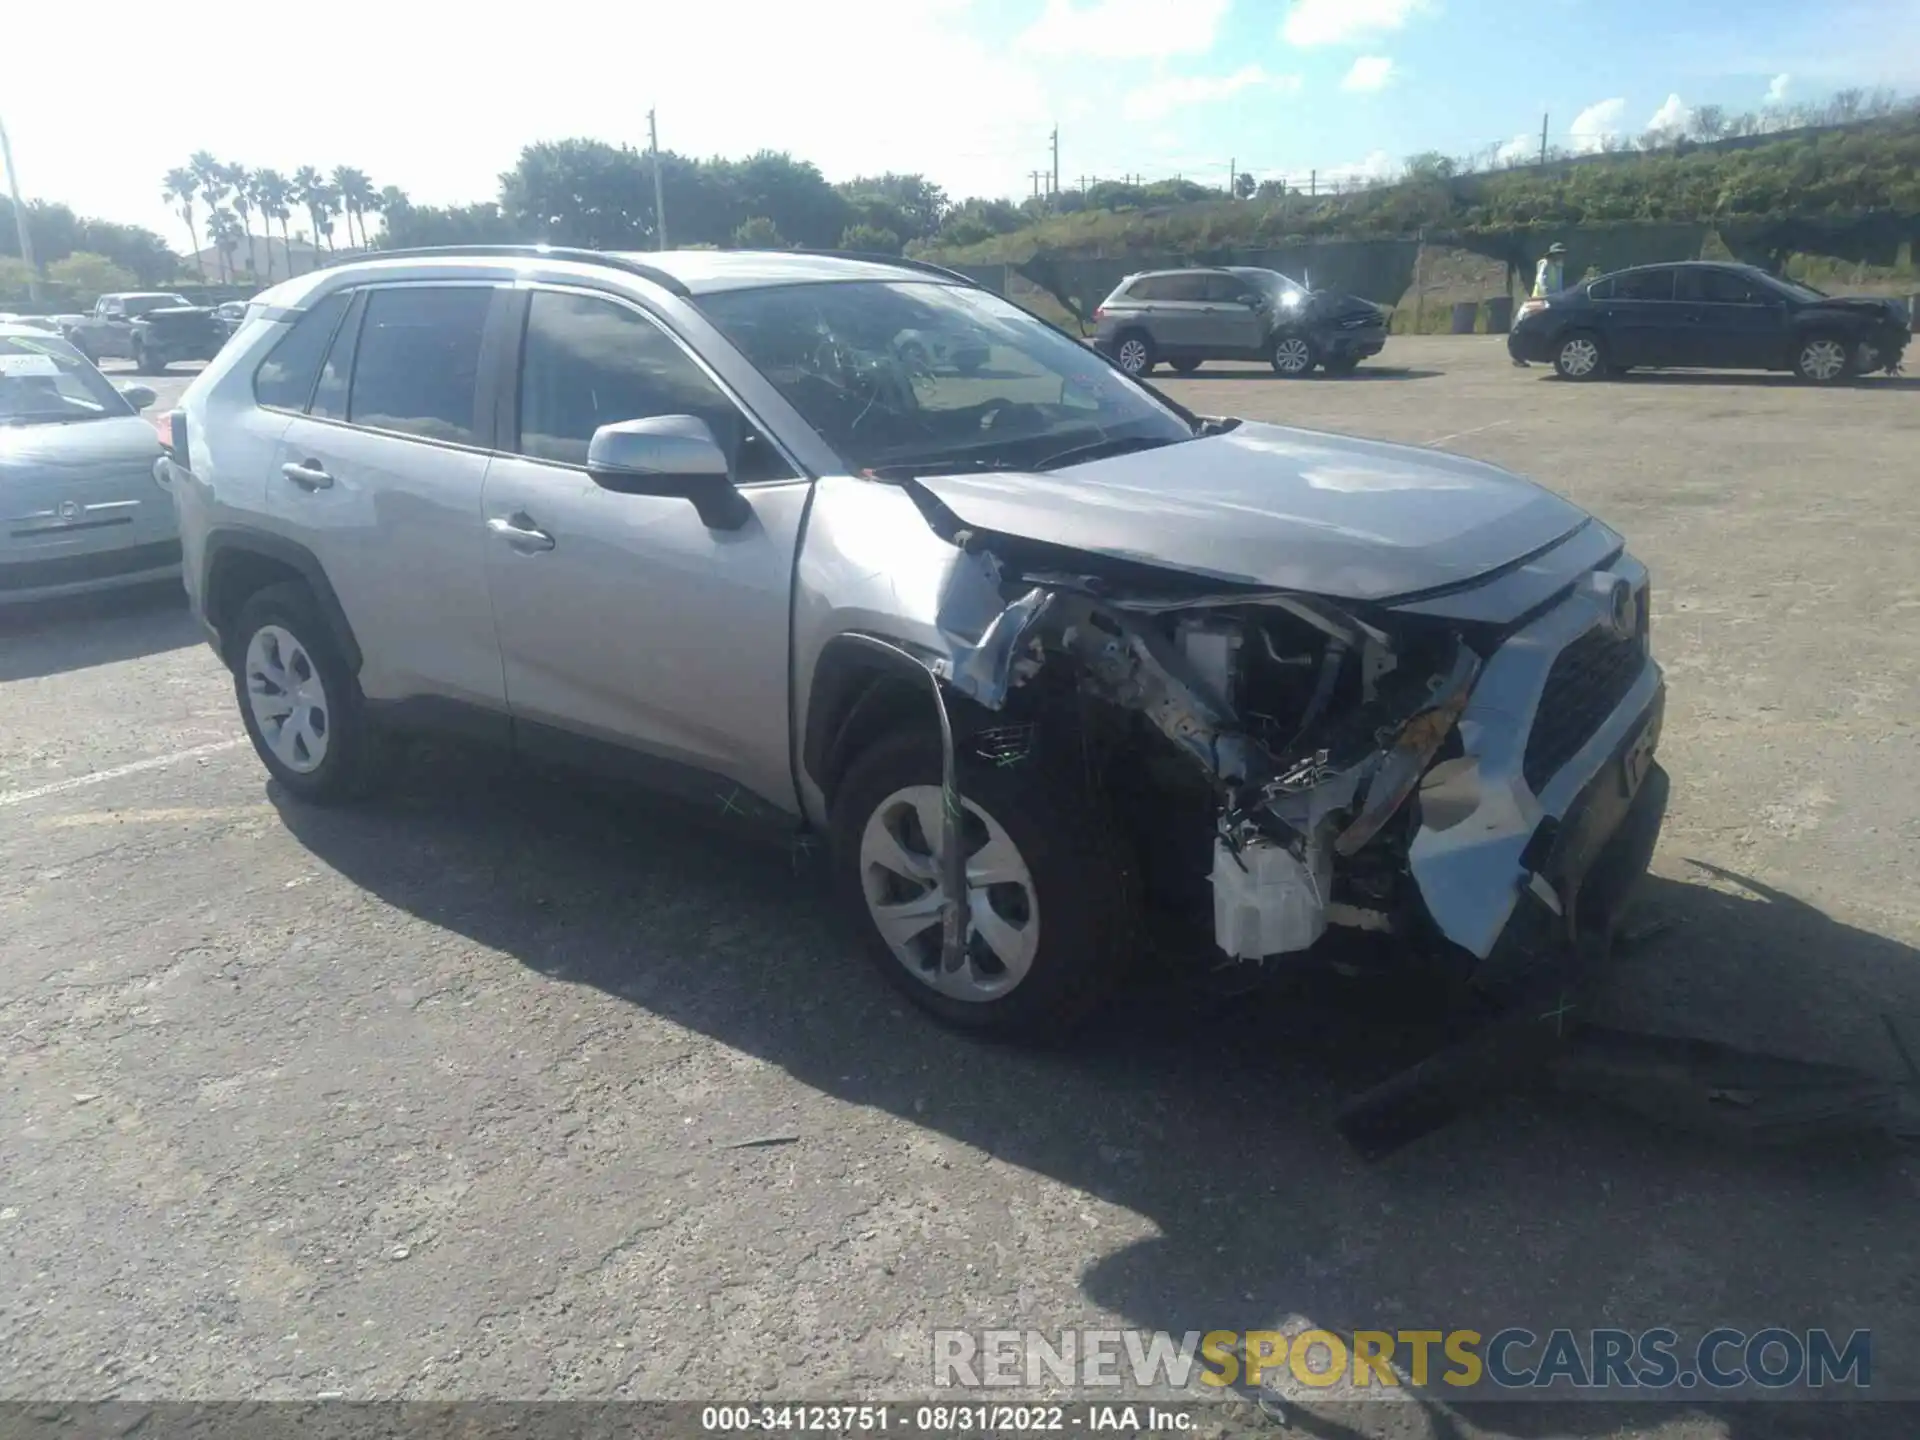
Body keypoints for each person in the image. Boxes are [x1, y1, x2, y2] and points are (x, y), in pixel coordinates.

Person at [1512, 242, 1569, 366]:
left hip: (1551, 300)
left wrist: (1559, 297)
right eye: (1559, 254)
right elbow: (1541, 281)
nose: (1561, 256)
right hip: (1539, 300)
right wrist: (1548, 295)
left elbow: (1558, 284)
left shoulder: (1558, 266)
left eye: (1562, 254)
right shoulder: (1545, 264)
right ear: (1553, 254)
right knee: (1529, 326)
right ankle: (1518, 356)